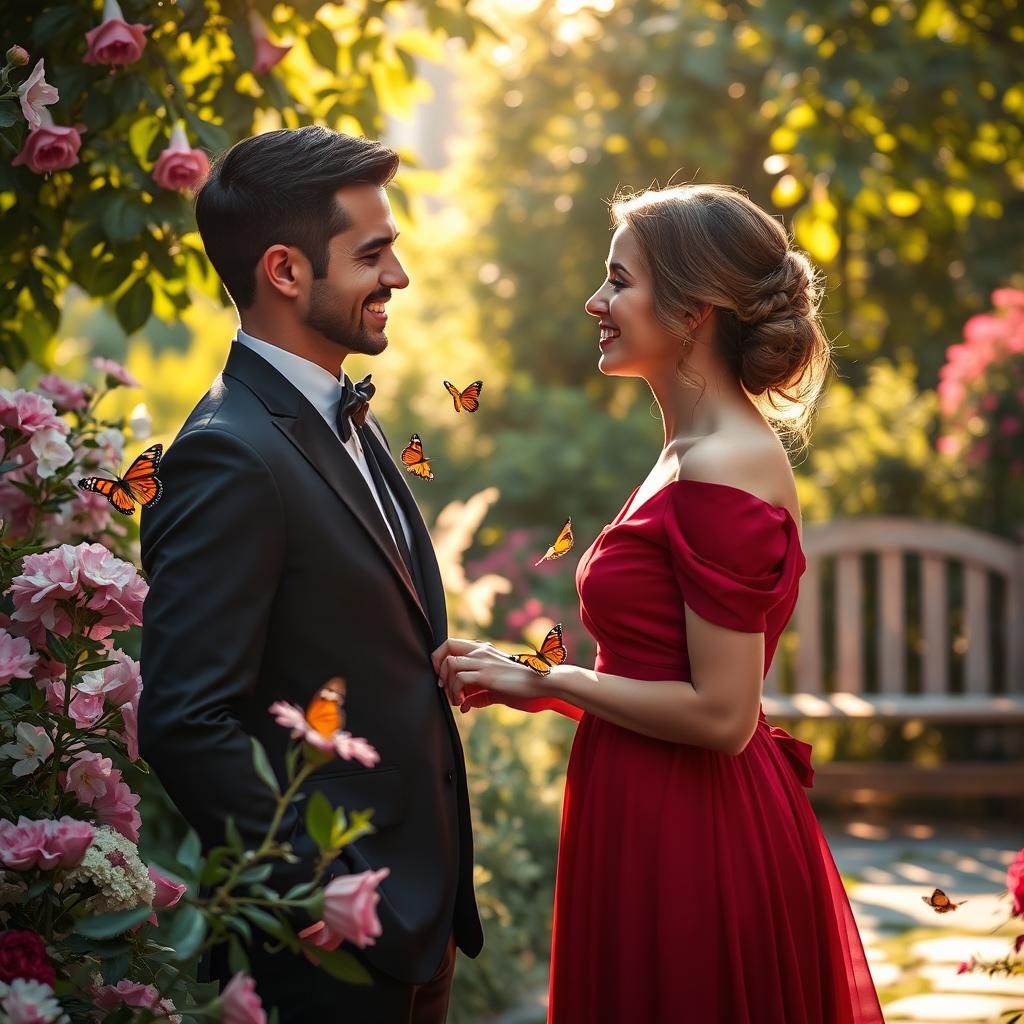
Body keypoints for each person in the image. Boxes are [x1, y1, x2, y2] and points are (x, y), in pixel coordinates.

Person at [434, 184, 885, 1023]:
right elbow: (660, 674)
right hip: (643, 797)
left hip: (695, 828)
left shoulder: (724, 462)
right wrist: (531, 680)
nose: (594, 301)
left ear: (693, 311)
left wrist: (552, 683)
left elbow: (722, 715)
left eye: (618, 281)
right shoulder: (687, 451)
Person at [139, 126, 482, 1023]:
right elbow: (185, 721)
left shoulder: (335, 411)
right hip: (327, 950)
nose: (398, 277)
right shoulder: (227, 456)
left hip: (416, 922)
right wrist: (314, 891)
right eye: (374, 254)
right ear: (286, 272)